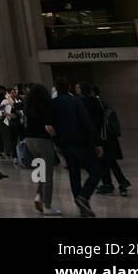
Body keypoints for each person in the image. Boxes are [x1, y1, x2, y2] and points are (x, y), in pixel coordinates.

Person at [52, 76, 102, 217]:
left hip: (65, 145)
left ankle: (81, 205)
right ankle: (84, 197)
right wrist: (97, 142)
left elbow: (51, 126)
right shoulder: (75, 102)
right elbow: (86, 122)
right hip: (81, 143)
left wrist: (57, 143)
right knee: (96, 172)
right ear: (68, 88)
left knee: (74, 174)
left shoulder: (53, 104)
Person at [83, 85, 130, 197]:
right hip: (108, 138)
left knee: (106, 162)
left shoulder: (96, 103)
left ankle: (116, 184)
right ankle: (115, 184)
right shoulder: (101, 102)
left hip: (103, 138)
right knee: (109, 162)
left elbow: (95, 122)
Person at [23, 83, 62, 215]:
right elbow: (48, 127)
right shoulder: (45, 106)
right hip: (43, 140)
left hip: (30, 140)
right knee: (48, 174)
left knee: (41, 170)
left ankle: (39, 196)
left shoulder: (28, 106)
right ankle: (47, 206)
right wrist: (57, 140)